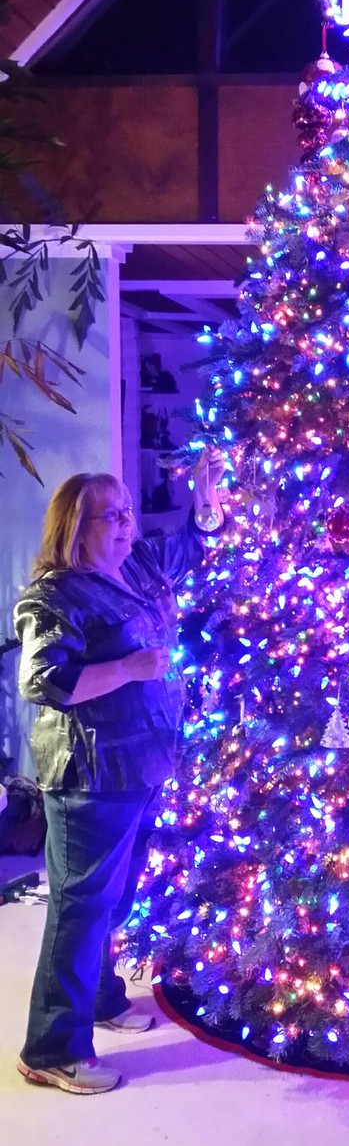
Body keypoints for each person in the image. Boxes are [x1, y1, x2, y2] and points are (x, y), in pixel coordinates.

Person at [13, 448, 226, 1094]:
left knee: (117, 896)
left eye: (129, 511)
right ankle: (52, 1048)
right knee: (79, 906)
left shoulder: (134, 566)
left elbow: (191, 546)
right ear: (76, 527)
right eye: (113, 515)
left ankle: (102, 998)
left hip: (144, 761)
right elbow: (43, 681)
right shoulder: (54, 595)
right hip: (90, 773)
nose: (127, 523)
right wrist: (128, 669)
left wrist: (204, 495)